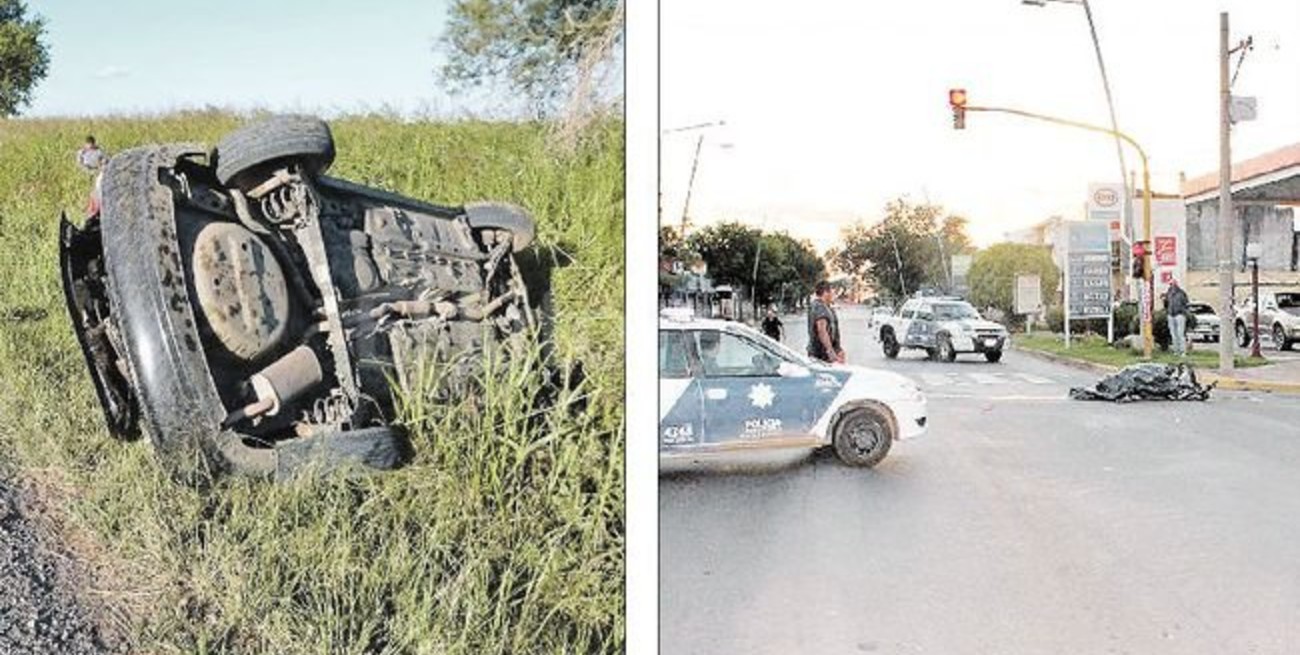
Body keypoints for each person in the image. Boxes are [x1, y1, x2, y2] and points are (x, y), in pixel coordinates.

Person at [806, 281, 844, 364]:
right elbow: (822, 331)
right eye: (832, 292)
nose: (834, 295)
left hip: (826, 354)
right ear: (826, 292)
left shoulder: (827, 307)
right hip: (821, 355)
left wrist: (838, 349)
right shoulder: (819, 307)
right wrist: (830, 352)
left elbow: (833, 331)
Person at [1164, 278, 1190, 356]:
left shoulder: (1181, 293)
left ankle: (1183, 351)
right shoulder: (1168, 293)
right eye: (1170, 284)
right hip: (1170, 315)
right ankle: (1176, 351)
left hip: (1180, 315)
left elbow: (1186, 303)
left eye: (1173, 284)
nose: (1171, 286)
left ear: (1176, 284)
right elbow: (1166, 304)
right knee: (1173, 334)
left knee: (1180, 334)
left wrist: (1182, 310)